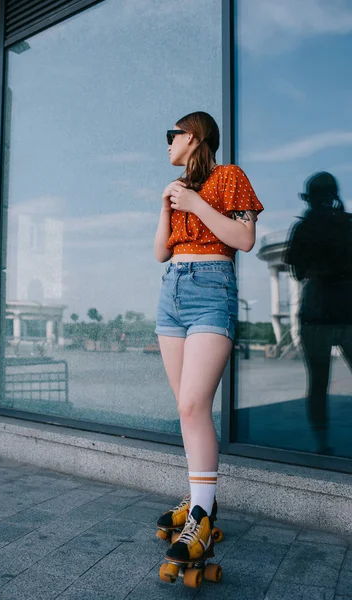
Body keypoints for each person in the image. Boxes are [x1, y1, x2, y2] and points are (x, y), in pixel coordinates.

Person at [153, 111, 263, 564]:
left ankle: (201, 517)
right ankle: (203, 501)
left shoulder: (228, 176)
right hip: (171, 292)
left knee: (193, 405)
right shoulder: (176, 189)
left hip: (211, 289)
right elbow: (161, 251)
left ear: (193, 137)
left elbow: (244, 239)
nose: (167, 144)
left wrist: (196, 205)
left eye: (171, 135)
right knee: (186, 408)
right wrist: (166, 207)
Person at [285, 172, 352, 455]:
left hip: (315, 314)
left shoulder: (303, 229)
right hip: (348, 312)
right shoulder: (349, 225)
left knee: (318, 383)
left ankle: (322, 443)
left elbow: (298, 272)